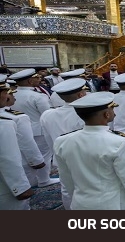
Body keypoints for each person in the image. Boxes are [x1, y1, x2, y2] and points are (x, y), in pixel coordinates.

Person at [53, 92, 125, 210]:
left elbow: (66, 179)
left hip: (81, 203)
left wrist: (75, 197)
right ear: (106, 114)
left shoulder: (62, 141)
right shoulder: (120, 141)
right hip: (113, 204)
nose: (114, 111)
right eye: (112, 108)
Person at [40, 78, 87, 210]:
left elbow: (48, 140)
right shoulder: (86, 113)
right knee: (90, 189)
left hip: (60, 157)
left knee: (67, 189)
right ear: (81, 95)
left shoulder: (47, 115)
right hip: (84, 158)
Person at [8, 68, 59, 187]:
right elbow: (47, 114)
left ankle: (30, 180)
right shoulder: (37, 96)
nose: (39, 79)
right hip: (37, 130)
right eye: (36, 77)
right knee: (43, 156)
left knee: (25, 156)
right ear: (30, 81)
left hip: (18, 129)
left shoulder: (12, 94)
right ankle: (44, 179)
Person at [0, 75, 47, 190]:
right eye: (9, 93)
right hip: (17, 161)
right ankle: (44, 180)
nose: (13, 97)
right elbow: (26, 142)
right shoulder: (16, 118)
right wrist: (37, 161)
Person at [0, 111, 34, 210]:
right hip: (5, 187)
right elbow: (8, 159)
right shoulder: (4, 124)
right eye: (4, 93)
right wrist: (20, 188)